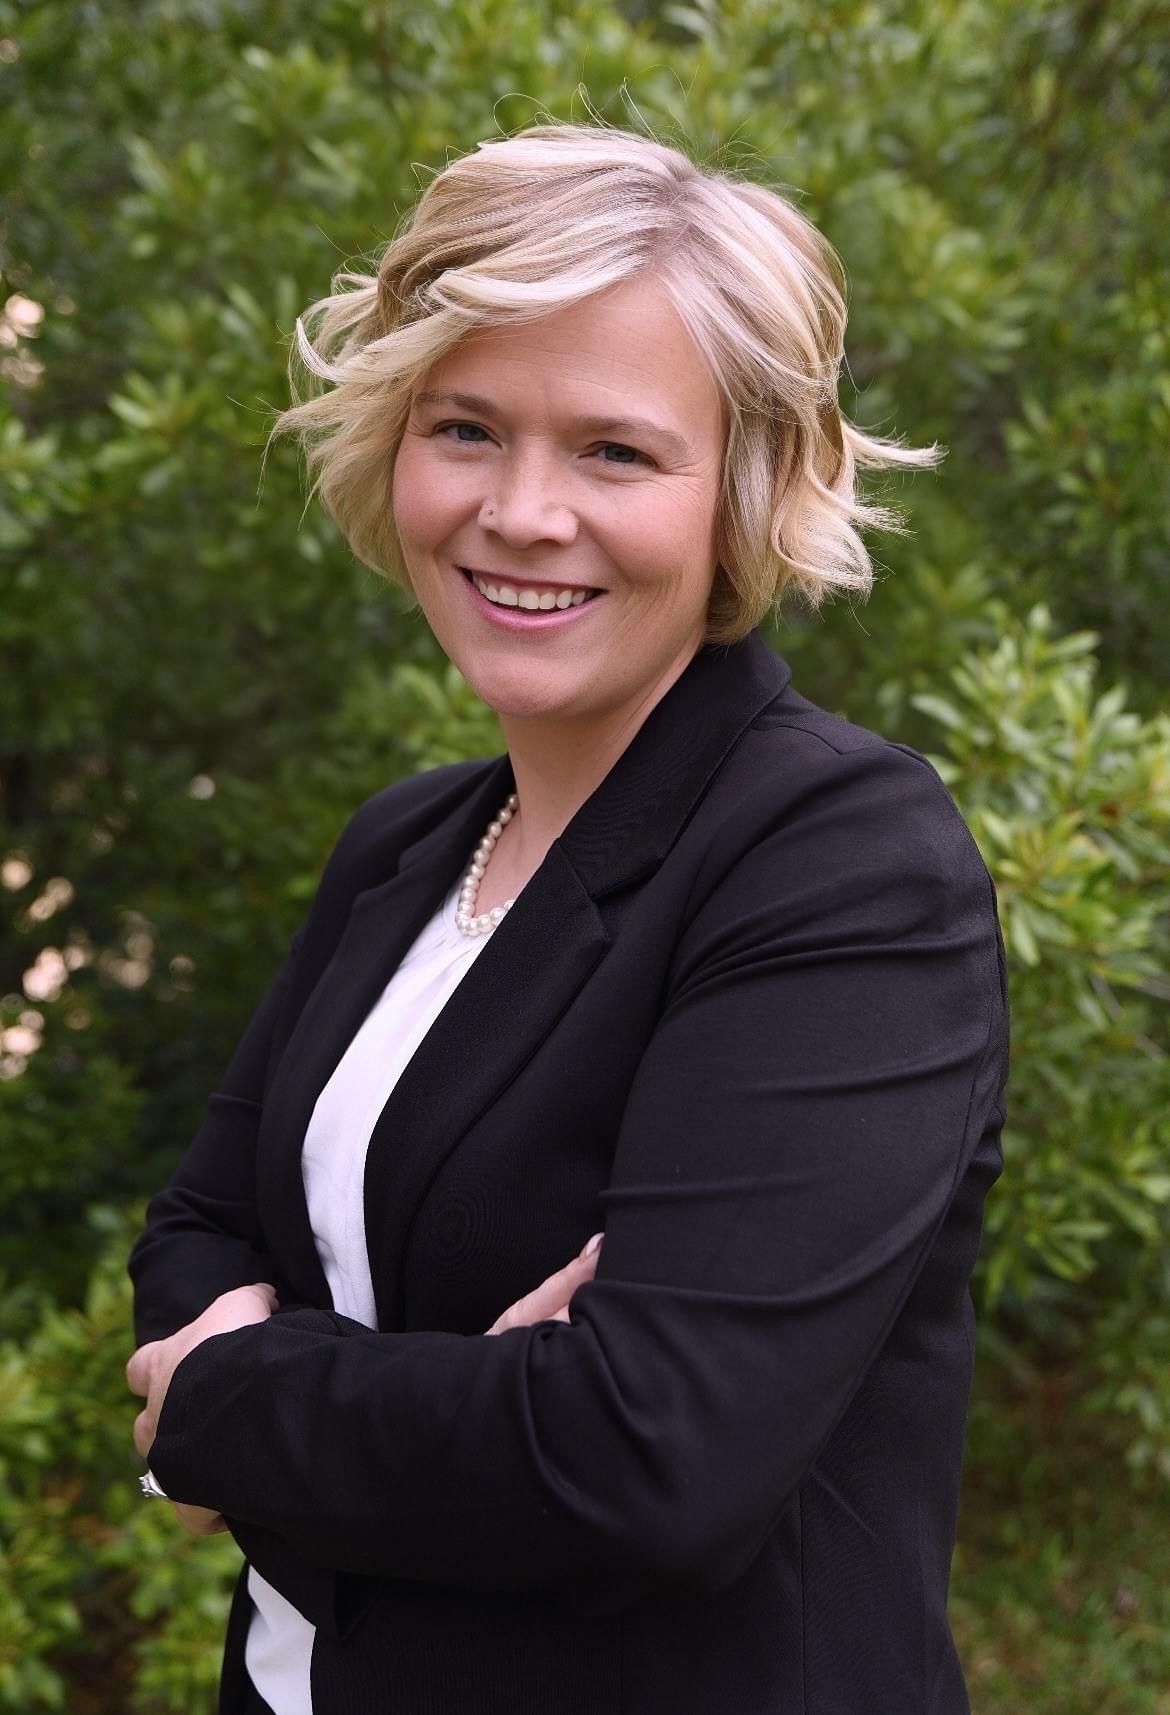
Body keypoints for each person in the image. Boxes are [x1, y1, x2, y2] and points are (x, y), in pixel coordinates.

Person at [125, 119, 1009, 1715]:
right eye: (466, 427)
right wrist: (469, 1395)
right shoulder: (410, 840)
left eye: (613, 451)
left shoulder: (842, 863)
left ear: (744, 487)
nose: (522, 513)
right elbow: (201, 1230)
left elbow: (643, 1459)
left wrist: (222, 1410)